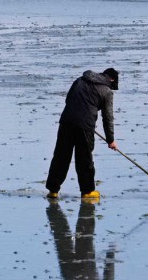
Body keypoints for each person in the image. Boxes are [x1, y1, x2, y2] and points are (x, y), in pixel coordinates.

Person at [46, 68, 119, 200]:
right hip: (85, 126)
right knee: (84, 159)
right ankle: (87, 191)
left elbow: (69, 99)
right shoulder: (107, 91)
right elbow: (107, 117)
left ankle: (53, 190)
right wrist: (111, 140)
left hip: (67, 121)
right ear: (112, 80)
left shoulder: (80, 80)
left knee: (61, 156)